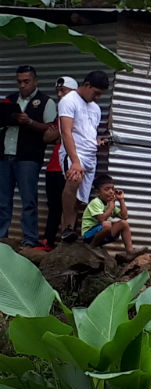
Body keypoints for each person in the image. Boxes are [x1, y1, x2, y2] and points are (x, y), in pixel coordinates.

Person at [0, 65, 57, 247]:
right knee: (2, 200)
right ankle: (2, 237)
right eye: (19, 82)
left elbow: (51, 129)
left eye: (26, 81)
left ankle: (30, 239)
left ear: (35, 81)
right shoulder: (10, 100)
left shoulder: (46, 102)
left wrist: (30, 122)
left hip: (28, 158)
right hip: (5, 155)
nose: (22, 85)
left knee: (29, 201)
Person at [58, 71, 109, 242]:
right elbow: (66, 132)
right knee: (73, 181)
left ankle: (71, 233)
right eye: (96, 92)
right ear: (86, 85)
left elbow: (89, 132)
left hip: (90, 155)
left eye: (100, 94)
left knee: (80, 199)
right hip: (74, 153)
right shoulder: (69, 101)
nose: (97, 97)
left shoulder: (95, 108)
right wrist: (75, 161)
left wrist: (98, 142)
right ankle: (67, 228)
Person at [40, 77, 78, 250]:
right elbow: (47, 137)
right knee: (54, 206)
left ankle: (67, 243)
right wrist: (60, 133)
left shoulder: (78, 113)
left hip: (69, 167)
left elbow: (64, 134)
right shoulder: (60, 115)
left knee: (70, 205)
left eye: (63, 91)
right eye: (58, 91)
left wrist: (60, 133)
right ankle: (48, 241)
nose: (60, 95)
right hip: (53, 167)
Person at [81, 174, 146, 261]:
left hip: (101, 232)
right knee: (107, 224)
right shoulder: (95, 202)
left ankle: (130, 252)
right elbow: (101, 219)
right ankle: (91, 247)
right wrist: (111, 207)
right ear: (97, 192)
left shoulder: (109, 204)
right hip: (88, 235)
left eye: (112, 189)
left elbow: (124, 216)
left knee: (124, 223)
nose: (111, 192)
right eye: (107, 189)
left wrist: (121, 200)